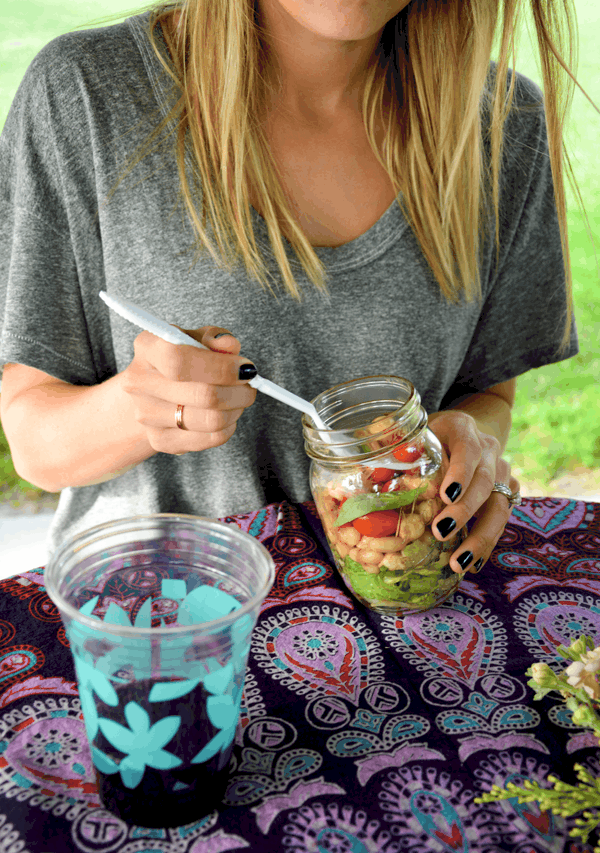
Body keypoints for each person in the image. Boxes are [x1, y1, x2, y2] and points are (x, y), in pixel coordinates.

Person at [0, 0, 581, 575]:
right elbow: (35, 445)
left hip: (404, 598)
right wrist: (139, 407)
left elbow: (487, 395)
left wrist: (471, 441)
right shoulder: (86, 91)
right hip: (164, 620)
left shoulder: (505, 125)